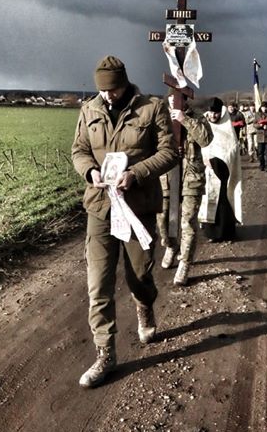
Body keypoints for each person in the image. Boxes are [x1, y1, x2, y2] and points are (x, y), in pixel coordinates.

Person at [71, 55, 179, 389]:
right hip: (100, 208)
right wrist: (90, 171)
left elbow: (170, 152)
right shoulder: (89, 110)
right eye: (102, 91)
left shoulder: (152, 108)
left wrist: (136, 173)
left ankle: (144, 305)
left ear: (125, 83)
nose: (108, 96)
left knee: (139, 276)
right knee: (98, 283)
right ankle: (106, 353)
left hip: (137, 208)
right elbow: (79, 149)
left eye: (113, 89)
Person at [157, 93, 213, 286]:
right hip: (168, 176)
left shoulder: (197, 116)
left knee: (187, 221)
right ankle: (171, 245)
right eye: (170, 100)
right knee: (163, 218)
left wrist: (184, 120)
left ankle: (185, 262)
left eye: (177, 100)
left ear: (184, 101)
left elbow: (206, 139)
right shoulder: (162, 116)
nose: (173, 103)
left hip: (191, 177)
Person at [199, 97, 242, 241]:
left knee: (223, 202)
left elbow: (232, 150)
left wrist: (216, 162)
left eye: (216, 113)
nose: (213, 115)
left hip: (223, 172)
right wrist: (203, 160)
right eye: (211, 112)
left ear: (221, 113)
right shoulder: (203, 125)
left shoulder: (227, 128)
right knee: (208, 199)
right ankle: (211, 233)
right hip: (205, 171)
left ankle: (227, 233)